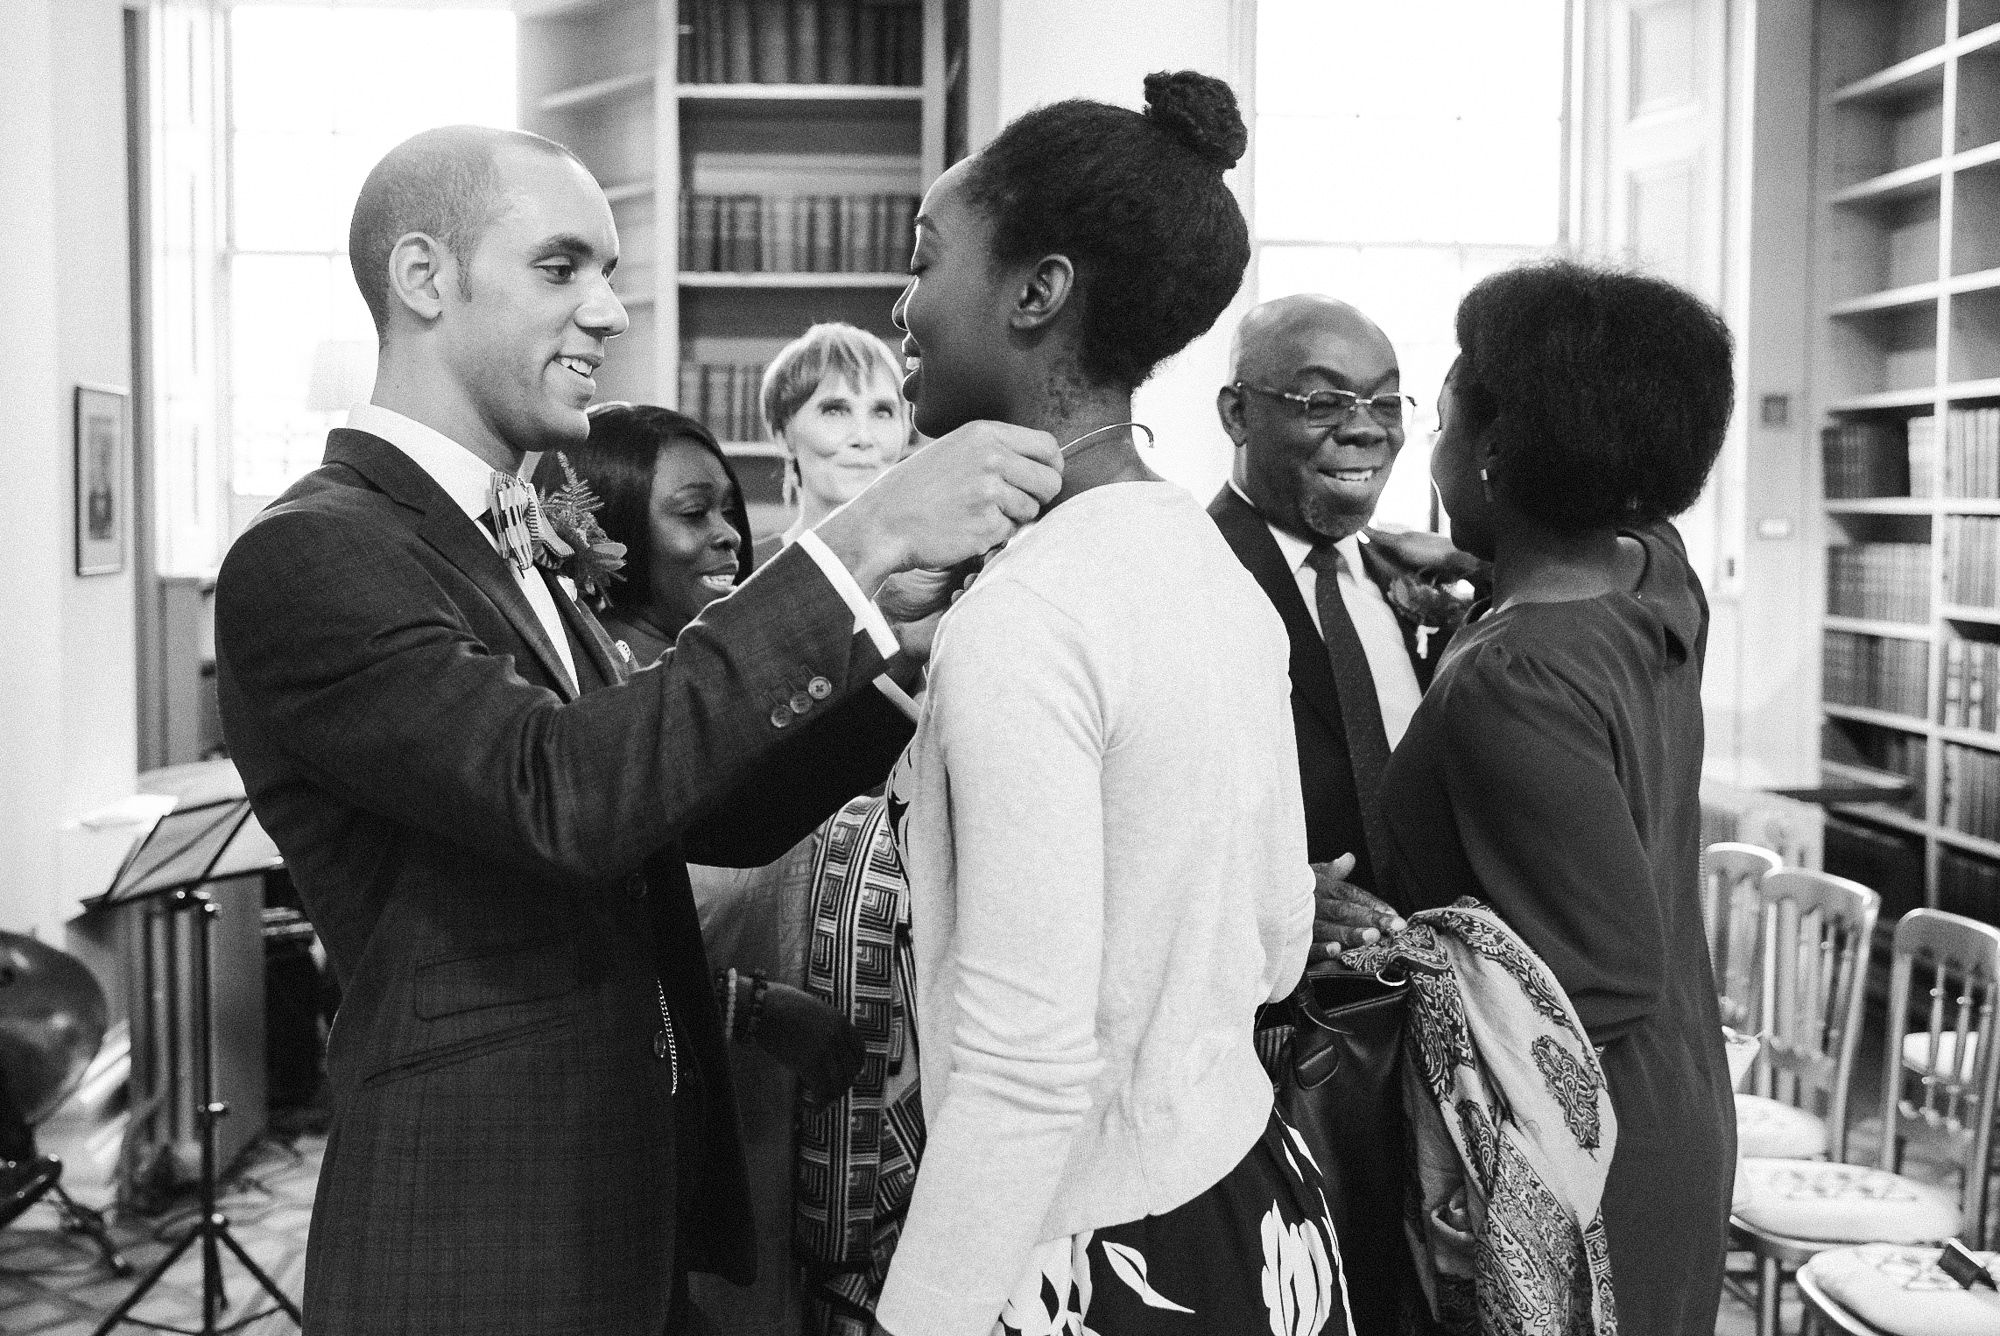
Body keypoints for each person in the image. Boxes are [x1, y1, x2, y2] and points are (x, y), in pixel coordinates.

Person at [212, 124, 1062, 1336]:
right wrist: (856, 546)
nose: (609, 310)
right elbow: (560, 795)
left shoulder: (510, 540)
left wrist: (894, 648)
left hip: (620, 1193)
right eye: (562, 269)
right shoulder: (314, 550)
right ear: (423, 278)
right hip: (477, 1230)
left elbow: (699, 802)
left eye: (607, 271)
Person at [877, 72, 1345, 1336]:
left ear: (1037, 292)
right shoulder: (1215, 570)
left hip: (1093, 1254)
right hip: (1250, 1203)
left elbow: (1025, 1073)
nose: (903, 303)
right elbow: (1277, 935)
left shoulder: (1030, 616)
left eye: (924, 259)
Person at [1376, 259, 1736, 1335]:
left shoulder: (1512, 677)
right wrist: (1470, 571)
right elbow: (1563, 595)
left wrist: (1376, 943)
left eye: (1437, 420)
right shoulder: (1655, 575)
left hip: (1581, 1153)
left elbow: (1600, 973)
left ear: (1490, 450)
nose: (1424, 450)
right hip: (1680, 1094)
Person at [1211, 293, 1475, 1335]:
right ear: (1236, 413)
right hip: (1266, 1036)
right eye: (1320, 400)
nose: (1362, 428)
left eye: (1381, 401)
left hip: (1405, 1030)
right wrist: (1265, 893)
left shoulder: (1393, 581)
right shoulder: (1193, 572)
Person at [761, 323, 911, 552]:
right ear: (782, 435)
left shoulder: (945, 578)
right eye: (835, 411)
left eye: (882, 412)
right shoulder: (745, 573)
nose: (863, 437)